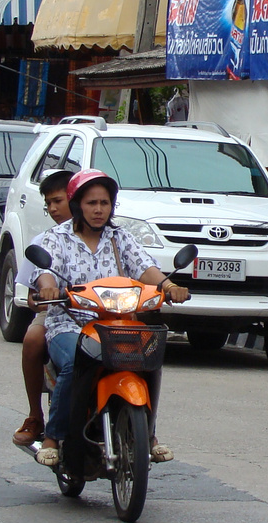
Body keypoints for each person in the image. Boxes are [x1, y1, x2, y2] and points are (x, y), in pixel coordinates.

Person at [33, 169, 189, 468]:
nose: (98, 210)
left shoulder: (121, 238)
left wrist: (169, 286)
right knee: (73, 363)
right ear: (77, 204)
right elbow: (45, 271)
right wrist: (48, 287)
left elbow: (144, 267)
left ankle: (149, 435)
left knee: (149, 359)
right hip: (70, 324)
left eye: (105, 203)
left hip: (117, 325)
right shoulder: (57, 237)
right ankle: (53, 437)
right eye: (92, 203)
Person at [12, 169, 74, 447]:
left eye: (57, 201)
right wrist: (43, 296)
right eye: (48, 203)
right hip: (58, 313)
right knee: (33, 339)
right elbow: (31, 295)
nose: (52, 209)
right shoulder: (45, 241)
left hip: (105, 313)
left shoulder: (117, 237)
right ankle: (36, 414)